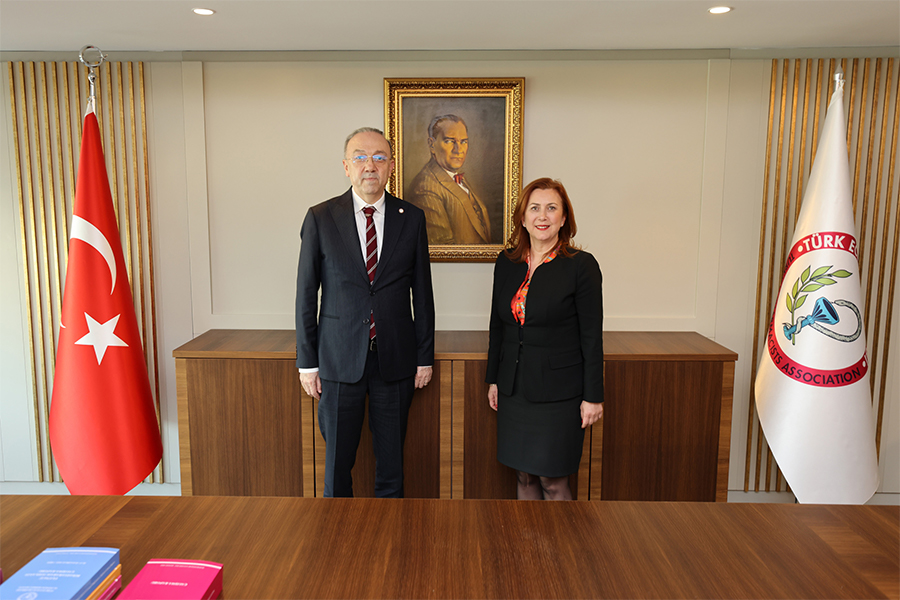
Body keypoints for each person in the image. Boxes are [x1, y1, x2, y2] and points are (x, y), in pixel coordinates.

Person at [295, 127, 435, 498]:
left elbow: (423, 294)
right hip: (338, 360)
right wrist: (307, 364)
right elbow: (306, 295)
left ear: (391, 165)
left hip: (396, 361)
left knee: (392, 467)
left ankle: (390, 532)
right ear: (346, 166)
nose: (369, 165)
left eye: (378, 157)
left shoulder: (412, 218)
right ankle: (337, 533)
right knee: (337, 467)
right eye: (360, 157)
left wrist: (424, 357)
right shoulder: (321, 217)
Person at [485, 177, 604, 500]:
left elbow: (591, 337)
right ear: (523, 218)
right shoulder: (507, 262)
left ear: (563, 218)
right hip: (514, 389)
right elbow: (498, 326)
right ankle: (528, 538)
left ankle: (561, 538)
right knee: (524, 477)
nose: (542, 216)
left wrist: (593, 397)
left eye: (551, 208)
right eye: (534, 208)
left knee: (553, 480)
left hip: (558, 395)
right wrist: (494, 379)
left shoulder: (581, 266)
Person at [407, 114, 493, 244]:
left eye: (463, 142)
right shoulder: (425, 187)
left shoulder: (455, 177)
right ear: (431, 144)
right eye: (449, 141)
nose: (458, 150)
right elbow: (442, 247)